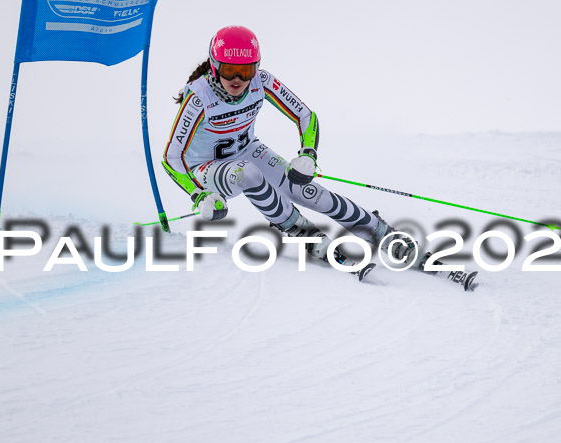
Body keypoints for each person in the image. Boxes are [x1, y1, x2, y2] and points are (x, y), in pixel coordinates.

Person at [162, 25, 422, 268]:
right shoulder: (199, 98)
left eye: (247, 70)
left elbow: (306, 116)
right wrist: (198, 195)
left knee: (305, 190)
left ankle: (379, 230)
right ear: (214, 65)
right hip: (205, 169)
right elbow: (172, 156)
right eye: (230, 70)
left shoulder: (261, 82)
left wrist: (308, 154)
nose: (239, 79)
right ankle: (303, 232)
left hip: (246, 149)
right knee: (247, 172)